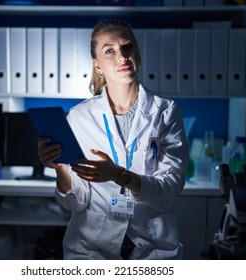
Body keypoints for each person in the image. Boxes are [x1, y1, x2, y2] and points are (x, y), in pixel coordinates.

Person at [37, 19, 189, 260]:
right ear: (98, 66)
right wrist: (59, 168)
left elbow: (169, 190)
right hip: (91, 249)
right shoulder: (80, 117)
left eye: (127, 47)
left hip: (153, 248)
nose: (122, 56)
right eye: (110, 51)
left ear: (138, 55)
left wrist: (118, 175)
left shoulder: (166, 112)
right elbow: (76, 202)